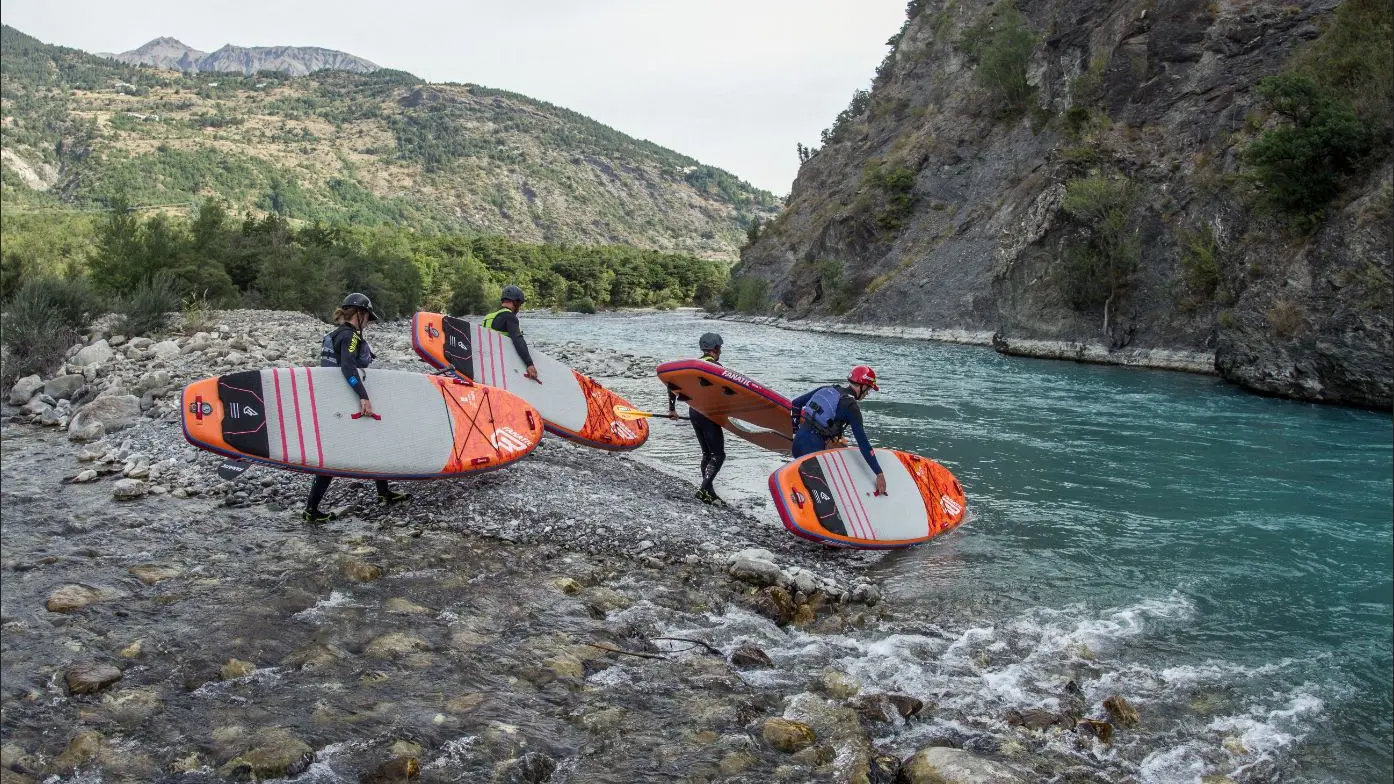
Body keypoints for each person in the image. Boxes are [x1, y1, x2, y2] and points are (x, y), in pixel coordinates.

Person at [303, 293, 412, 523]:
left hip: (332, 399)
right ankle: (311, 509)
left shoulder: (335, 334)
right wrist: (363, 396)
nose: (368, 324)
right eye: (368, 319)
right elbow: (347, 367)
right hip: (344, 401)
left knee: (375, 441)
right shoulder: (350, 336)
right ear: (360, 315)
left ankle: (383, 493)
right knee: (333, 456)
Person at [789, 365, 887, 497]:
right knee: (824, 494)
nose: (867, 394)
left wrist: (795, 433)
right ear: (862, 385)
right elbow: (863, 443)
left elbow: (795, 403)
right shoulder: (851, 406)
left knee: (803, 487)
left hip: (797, 445)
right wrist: (878, 473)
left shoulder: (828, 389)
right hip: (812, 453)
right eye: (868, 389)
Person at [670, 332, 727, 506]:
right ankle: (703, 488)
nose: (721, 351)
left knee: (707, 453)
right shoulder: (715, 367)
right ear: (716, 348)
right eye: (720, 348)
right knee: (718, 454)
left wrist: (672, 409)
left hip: (694, 413)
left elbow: (671, 383)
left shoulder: (693, 368)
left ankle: (708, 492)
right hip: (707, 414)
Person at [482, 284, 539, 382]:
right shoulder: (510, 317)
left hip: (485, 362)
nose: (519, 308)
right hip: (498, 365)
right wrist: (529, 364)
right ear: (516, 302)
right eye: (519, 304)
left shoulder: (488, 317)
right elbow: (517, 339)